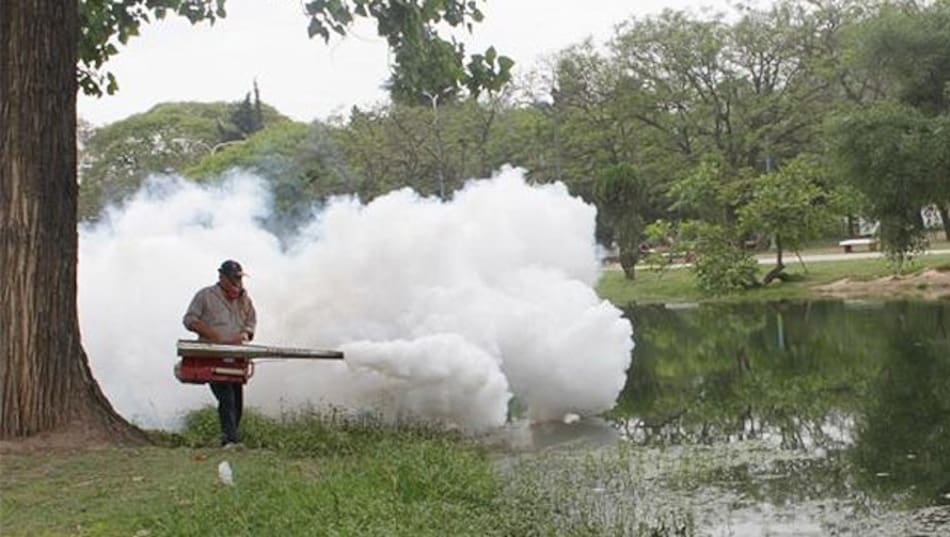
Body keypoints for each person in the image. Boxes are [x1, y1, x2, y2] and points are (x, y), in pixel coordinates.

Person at [183, 260, 257, 448]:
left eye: (239, 278)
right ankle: (229, 440)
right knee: (226, 398)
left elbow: (251, 322)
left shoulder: (244, 299)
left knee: (237, 400)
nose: (237, 282)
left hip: (236, 356)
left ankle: (232, 437)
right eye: (233, 278)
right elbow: (190, 319)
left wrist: (245, 334)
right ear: (222, 277)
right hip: (213, 355)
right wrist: (214, 336)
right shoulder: (205, 296)